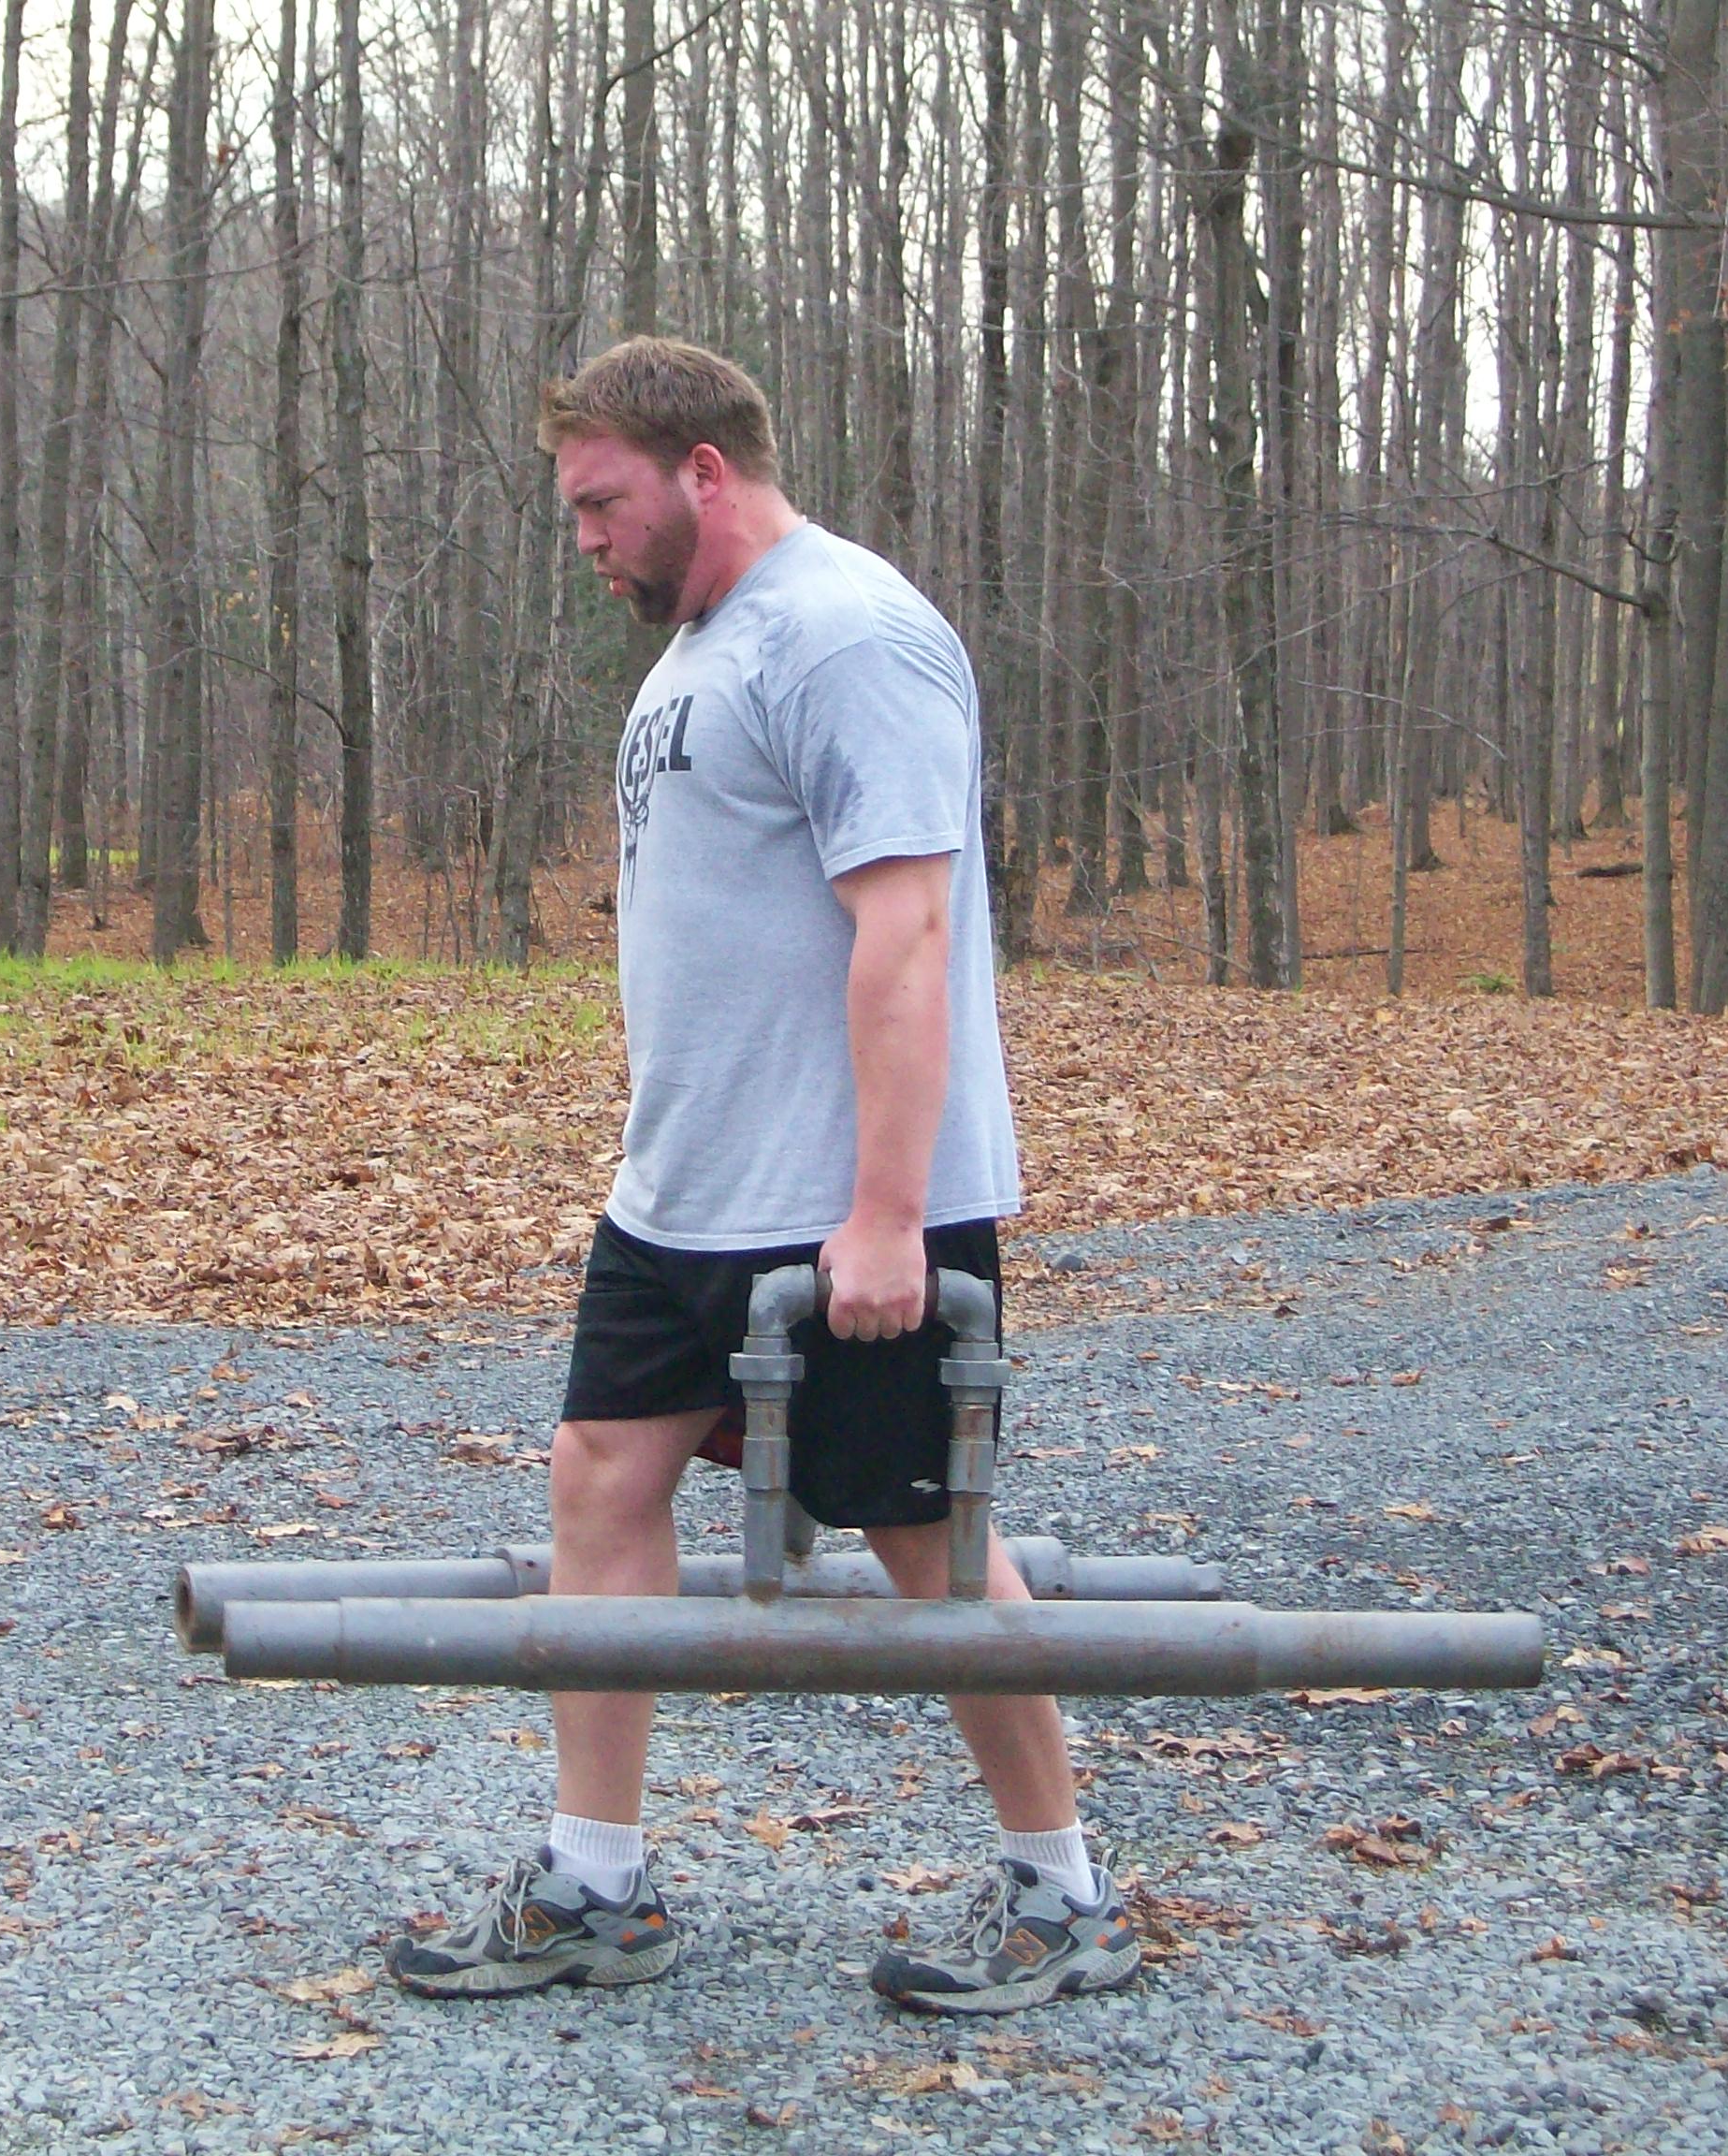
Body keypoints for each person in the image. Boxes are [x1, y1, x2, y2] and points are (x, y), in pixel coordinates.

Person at [385, 338, 1140, 2017]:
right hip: (682, 1194)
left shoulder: (850, 634)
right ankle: (597, 1883)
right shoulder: (705, 648)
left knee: (923, 1534)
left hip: (839, 1202)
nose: (583, 536)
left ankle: (1065, 1889)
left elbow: (910, 926)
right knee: (600, 1478)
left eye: (602, 501)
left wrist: (881, 1211)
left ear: (703, 472)